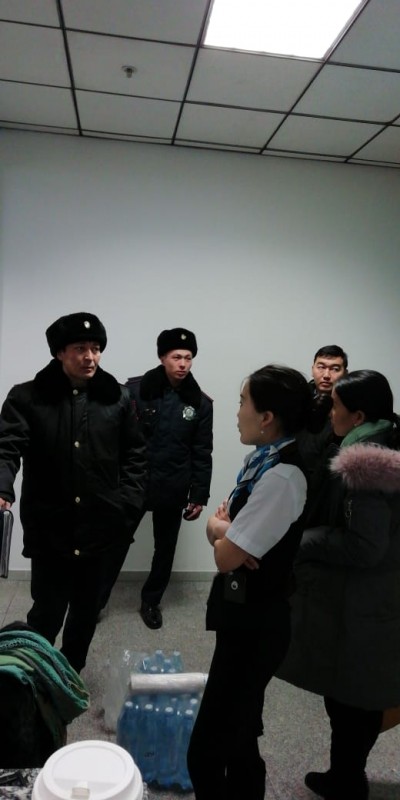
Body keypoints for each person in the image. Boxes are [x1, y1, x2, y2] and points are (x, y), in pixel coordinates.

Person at [187, 364, 312, 800]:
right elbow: (221, 531)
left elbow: (224, 557)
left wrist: (224, 532)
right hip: (244, 616)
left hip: (257, 627)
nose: (237, 411)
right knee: (239, 740)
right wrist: (225, 531)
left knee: (206, 753)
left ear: (267, 417)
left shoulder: (281, 477)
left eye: (243, 402)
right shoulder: (261, 463)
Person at [0, 312, 146, 673]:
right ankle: (34, 677)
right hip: (51, 528)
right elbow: (7, 447)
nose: (90, 357)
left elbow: (136, 455)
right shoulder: (27, 397)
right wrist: (2, 486)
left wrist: (127, 505)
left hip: (101, 528)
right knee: (46, 612)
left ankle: (70, 675)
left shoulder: (117, 398)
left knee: (85, 613)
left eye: (96, 348)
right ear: (59, 352)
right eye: (80, 348)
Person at [278, 370, 400, 800]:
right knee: (351, 694)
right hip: (374, 594)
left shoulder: (367, 467)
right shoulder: (381, 446)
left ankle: (347, 781)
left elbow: (365, 546)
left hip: (366, 599)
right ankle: (345, 775)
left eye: (336, 407)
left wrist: (306, 541)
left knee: (353, 699)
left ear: (359, 415)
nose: (331, 413)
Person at [122, 327, 213, 630]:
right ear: (162, 357)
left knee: (165, 549)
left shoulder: (200, 403)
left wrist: (198, 494)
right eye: (176, 357)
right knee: (114, 543)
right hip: (134, 482)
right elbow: (116, 439)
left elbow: (202, 451)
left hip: (173, 485)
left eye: (188, 357)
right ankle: (95, 600)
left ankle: (151, 601)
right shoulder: (135, 391)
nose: (183, 363)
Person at [296, 344, 348, 480]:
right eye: (321, 367)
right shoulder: (295, 398)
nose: (326, 375)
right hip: (290, 475)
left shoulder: (350, 408)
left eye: (335, 369)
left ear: (345, 373)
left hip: (327, 480)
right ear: (312, 369)